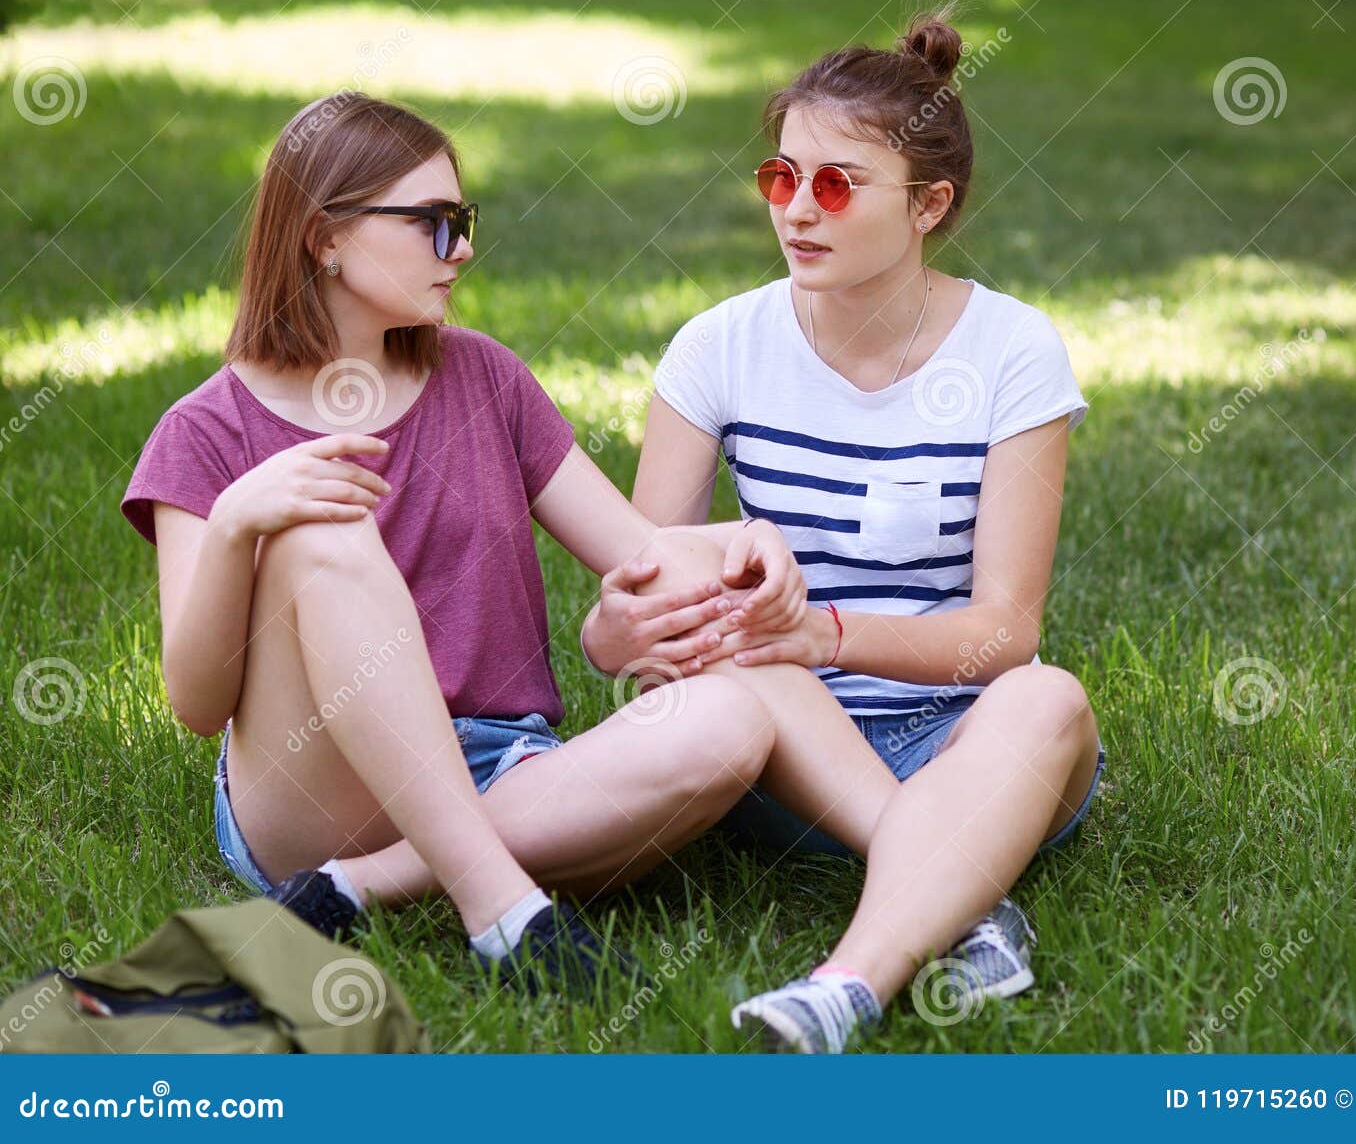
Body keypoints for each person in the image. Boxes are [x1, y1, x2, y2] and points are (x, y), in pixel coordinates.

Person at [119, 92, 851, 997]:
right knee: (318, 536)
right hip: (317, 785)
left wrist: (745, 544)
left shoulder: (485, 378)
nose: (462, 248)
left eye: (462, 220)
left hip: (504, 769)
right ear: (325, 237)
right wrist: (238, 523)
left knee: (733, 720)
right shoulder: (203, 432)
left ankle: (361, 892)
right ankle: (505, 911)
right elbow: (197, 705)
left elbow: (643, 555)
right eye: (432, 223)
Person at [586, 9, 1107, 1050]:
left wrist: (821, 630)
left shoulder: (1012, 352)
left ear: (929, 204)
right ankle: (954, 896)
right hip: (779, 747)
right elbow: (630, 607)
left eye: (836, 185)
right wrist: (629, 628)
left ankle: (841, 987)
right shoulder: (717, 348)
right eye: (781, 179)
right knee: (752, 668)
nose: (796, 212)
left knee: (1047, 695)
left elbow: (1003, 632)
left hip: (963, 741)